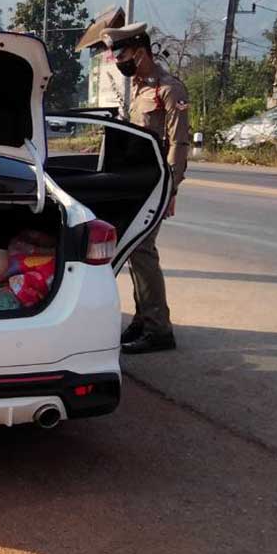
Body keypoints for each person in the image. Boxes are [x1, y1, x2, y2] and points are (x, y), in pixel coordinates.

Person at [104, 22, 191, 355]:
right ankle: (144, 319)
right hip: (139, 182)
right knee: (135, 252)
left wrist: (172, 187)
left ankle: (159, 329)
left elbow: (179, 142)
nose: (119, 61)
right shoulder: (140, 89)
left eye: (123, 54)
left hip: (157, 183)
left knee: (143, 252)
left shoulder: (169, 89)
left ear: (140, 52)